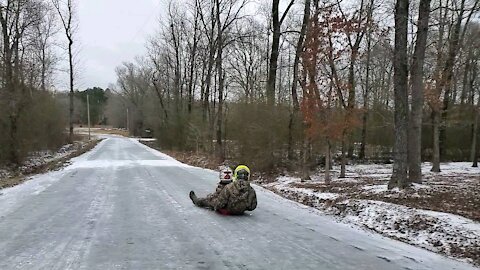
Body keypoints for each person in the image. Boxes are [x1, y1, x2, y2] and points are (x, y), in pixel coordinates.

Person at [189, 165, 257, 215]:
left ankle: (198, 201)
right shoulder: (251, 190)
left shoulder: (229, 187)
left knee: (209, 200)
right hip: (241, 211)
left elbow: (219, 204)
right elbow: (252, 207)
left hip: (227, 211)